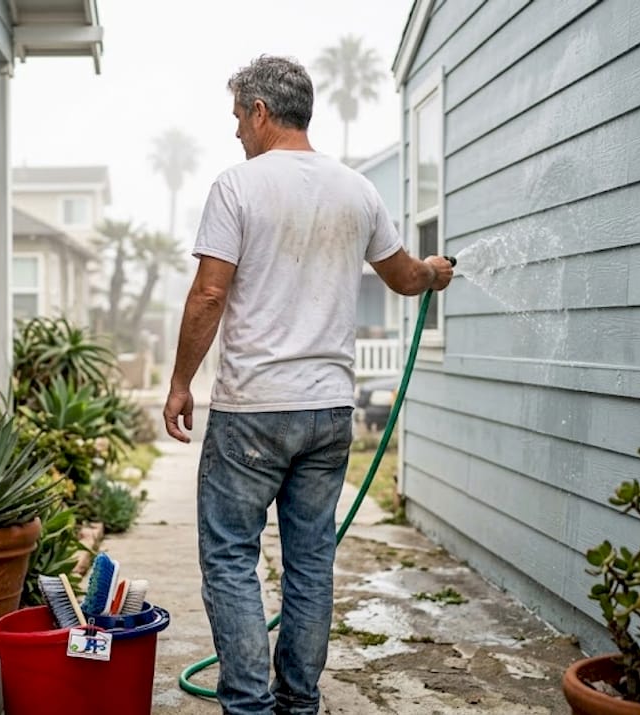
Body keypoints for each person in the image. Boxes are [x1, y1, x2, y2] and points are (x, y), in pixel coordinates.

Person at [163, 55, 454, 715]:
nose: (236, 130)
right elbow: (405, 277)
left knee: (233, 556)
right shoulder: (357, 190)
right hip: (327, 409)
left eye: (239, 116)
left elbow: (209, 293)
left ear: (261, 112)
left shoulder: (237, 186)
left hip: (253, 411)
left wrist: (181, 381)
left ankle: (247, 703)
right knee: (310, 561)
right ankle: (298, 702)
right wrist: (435, 271)